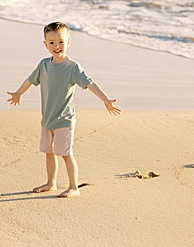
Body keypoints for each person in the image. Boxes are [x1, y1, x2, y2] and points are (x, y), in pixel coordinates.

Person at [8, 21, 121, 197]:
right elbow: (30, 80)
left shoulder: (72, 67)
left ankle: (74, 187)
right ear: (45, 44)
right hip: (47, 118)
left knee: (66, 154)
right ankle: (50, 182)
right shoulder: (44, 65)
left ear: (69, 42)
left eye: (61, 41)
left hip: (64, 119)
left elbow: (90, 83)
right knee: (49, 152)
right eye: (51, 42)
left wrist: (105, 99)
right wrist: (18, 93)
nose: (57, 46)